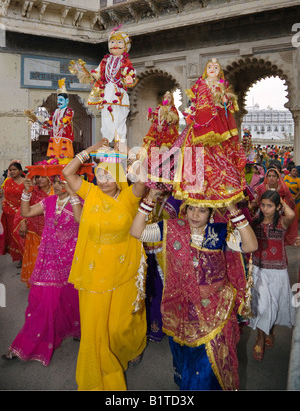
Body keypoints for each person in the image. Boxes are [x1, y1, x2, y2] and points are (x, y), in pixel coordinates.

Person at [130, 189, 258, 390]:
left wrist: (233, 209)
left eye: (202, 211)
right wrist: (150, 198)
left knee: (206, 371)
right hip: (181, 312)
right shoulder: (172, 228)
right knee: (187, 365)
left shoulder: (219, 232)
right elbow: (137, 232)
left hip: (215, 313)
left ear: (211, 213)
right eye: (191, 209)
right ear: (185, 209)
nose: (195, 215)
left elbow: (250, 246)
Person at [62, 138, 147, 391]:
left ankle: (130, 347)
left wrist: (130, 158)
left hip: (124, 271)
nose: (103, 179)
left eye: (109, 175)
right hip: (93, 273)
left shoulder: (130, 198)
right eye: (99, 174)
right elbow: (67, 172)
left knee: (120, 326)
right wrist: (91, 150)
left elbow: (143, 182)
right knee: (95, 327)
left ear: (119, 176)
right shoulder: (91, 193)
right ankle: (99, 371)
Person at [2, 174, 82, 365]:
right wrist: (26, 194)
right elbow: (27, 212)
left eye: (62, 180)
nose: (58, 184)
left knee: (71, 297)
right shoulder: (50, 201)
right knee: (43, 302)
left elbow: (82, 222)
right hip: (48, 261)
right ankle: (26, 344)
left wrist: (73, 195)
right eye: (55, 181)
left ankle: (76, 329)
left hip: (72, 261)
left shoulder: (80, 202)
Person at [147, 58, 247, 207]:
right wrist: (191, 112)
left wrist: (225, 101)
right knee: (188, 154)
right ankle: (192, 184)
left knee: (218, 156)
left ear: (220, 71)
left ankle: (220, 185)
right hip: (198, 126)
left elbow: (229, 105)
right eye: (210, 66)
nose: (212, 69)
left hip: (217, 128)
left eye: (216, 67)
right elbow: (193, 103)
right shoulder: (199, 85)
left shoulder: (221, 86)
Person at [249, 190, 296, 361]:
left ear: (277, 207)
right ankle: (261, 339)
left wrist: (281, 203)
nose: (265, 208)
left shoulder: (282, 223)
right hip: (258, 270)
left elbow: (291, 214)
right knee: (263, 306)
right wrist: (255, 205)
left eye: (269, 205)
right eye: (263, 205)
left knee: (274, 305)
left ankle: (271, 329)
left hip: (277, 272)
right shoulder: (255, 222)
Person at [69, 29, 137, 143]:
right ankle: (106, 141)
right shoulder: (106, 60)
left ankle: (120, 143)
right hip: (107, 92)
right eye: (112, 42)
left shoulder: (125, 60)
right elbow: (98, 72)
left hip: (119, 93)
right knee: (106, 118)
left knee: (119, 118)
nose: (115, 45)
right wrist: (90, 73)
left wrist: (129, 77)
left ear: (126, 46)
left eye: (119, 42)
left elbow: (129, 72)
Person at [144, 191, 181, 342]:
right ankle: (145, 328)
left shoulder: (177, 198)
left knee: (163, 291)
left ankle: (164, 326)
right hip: (142, 250)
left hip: (167, 253)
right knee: (145, 291)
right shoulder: (143, 194)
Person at [13, 174, 54, 287]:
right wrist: (22, 222)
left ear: (50, 178)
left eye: (42, 177)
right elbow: (23, 208)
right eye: (37, 177)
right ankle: (38, 284)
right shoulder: (33, 191)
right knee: (37, 260)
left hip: (53, 232)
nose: (39, 179)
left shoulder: (57, 191)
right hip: (35, 231)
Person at [253, 167, 298, 245]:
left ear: (278, 177)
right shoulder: (262, 187)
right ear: (266, 177)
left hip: (278, 212)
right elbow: (257, 200)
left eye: (274, 176)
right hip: (264, 212)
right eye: (269, 176)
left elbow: (290, 202)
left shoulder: (283, 188)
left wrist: (283, 207)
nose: (271, 178)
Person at [42, 79, 74, 163]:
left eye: (61, 100)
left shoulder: (68, 110)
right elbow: (51, 121)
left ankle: (65, 158)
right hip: (55, 133)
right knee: (55, 145)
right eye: (58, 100)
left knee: (64, 147)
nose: (58, 102)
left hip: (64, 133)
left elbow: (67, 119)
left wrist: (63, 121)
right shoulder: (55, 112)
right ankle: (55, 158)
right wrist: (47, 124)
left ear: (66, 101)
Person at [0, 161, 25, 264]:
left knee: (21, 235)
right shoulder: (7, 181)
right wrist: (3, 202)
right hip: (8, 213)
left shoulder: (26, 182)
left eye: (15, 169)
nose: (12, 172)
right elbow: (5, 195)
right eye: (10, 170)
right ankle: (19, 257)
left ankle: (25, 256)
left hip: (21, 213)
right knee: (11, 236)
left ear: (20, 171)